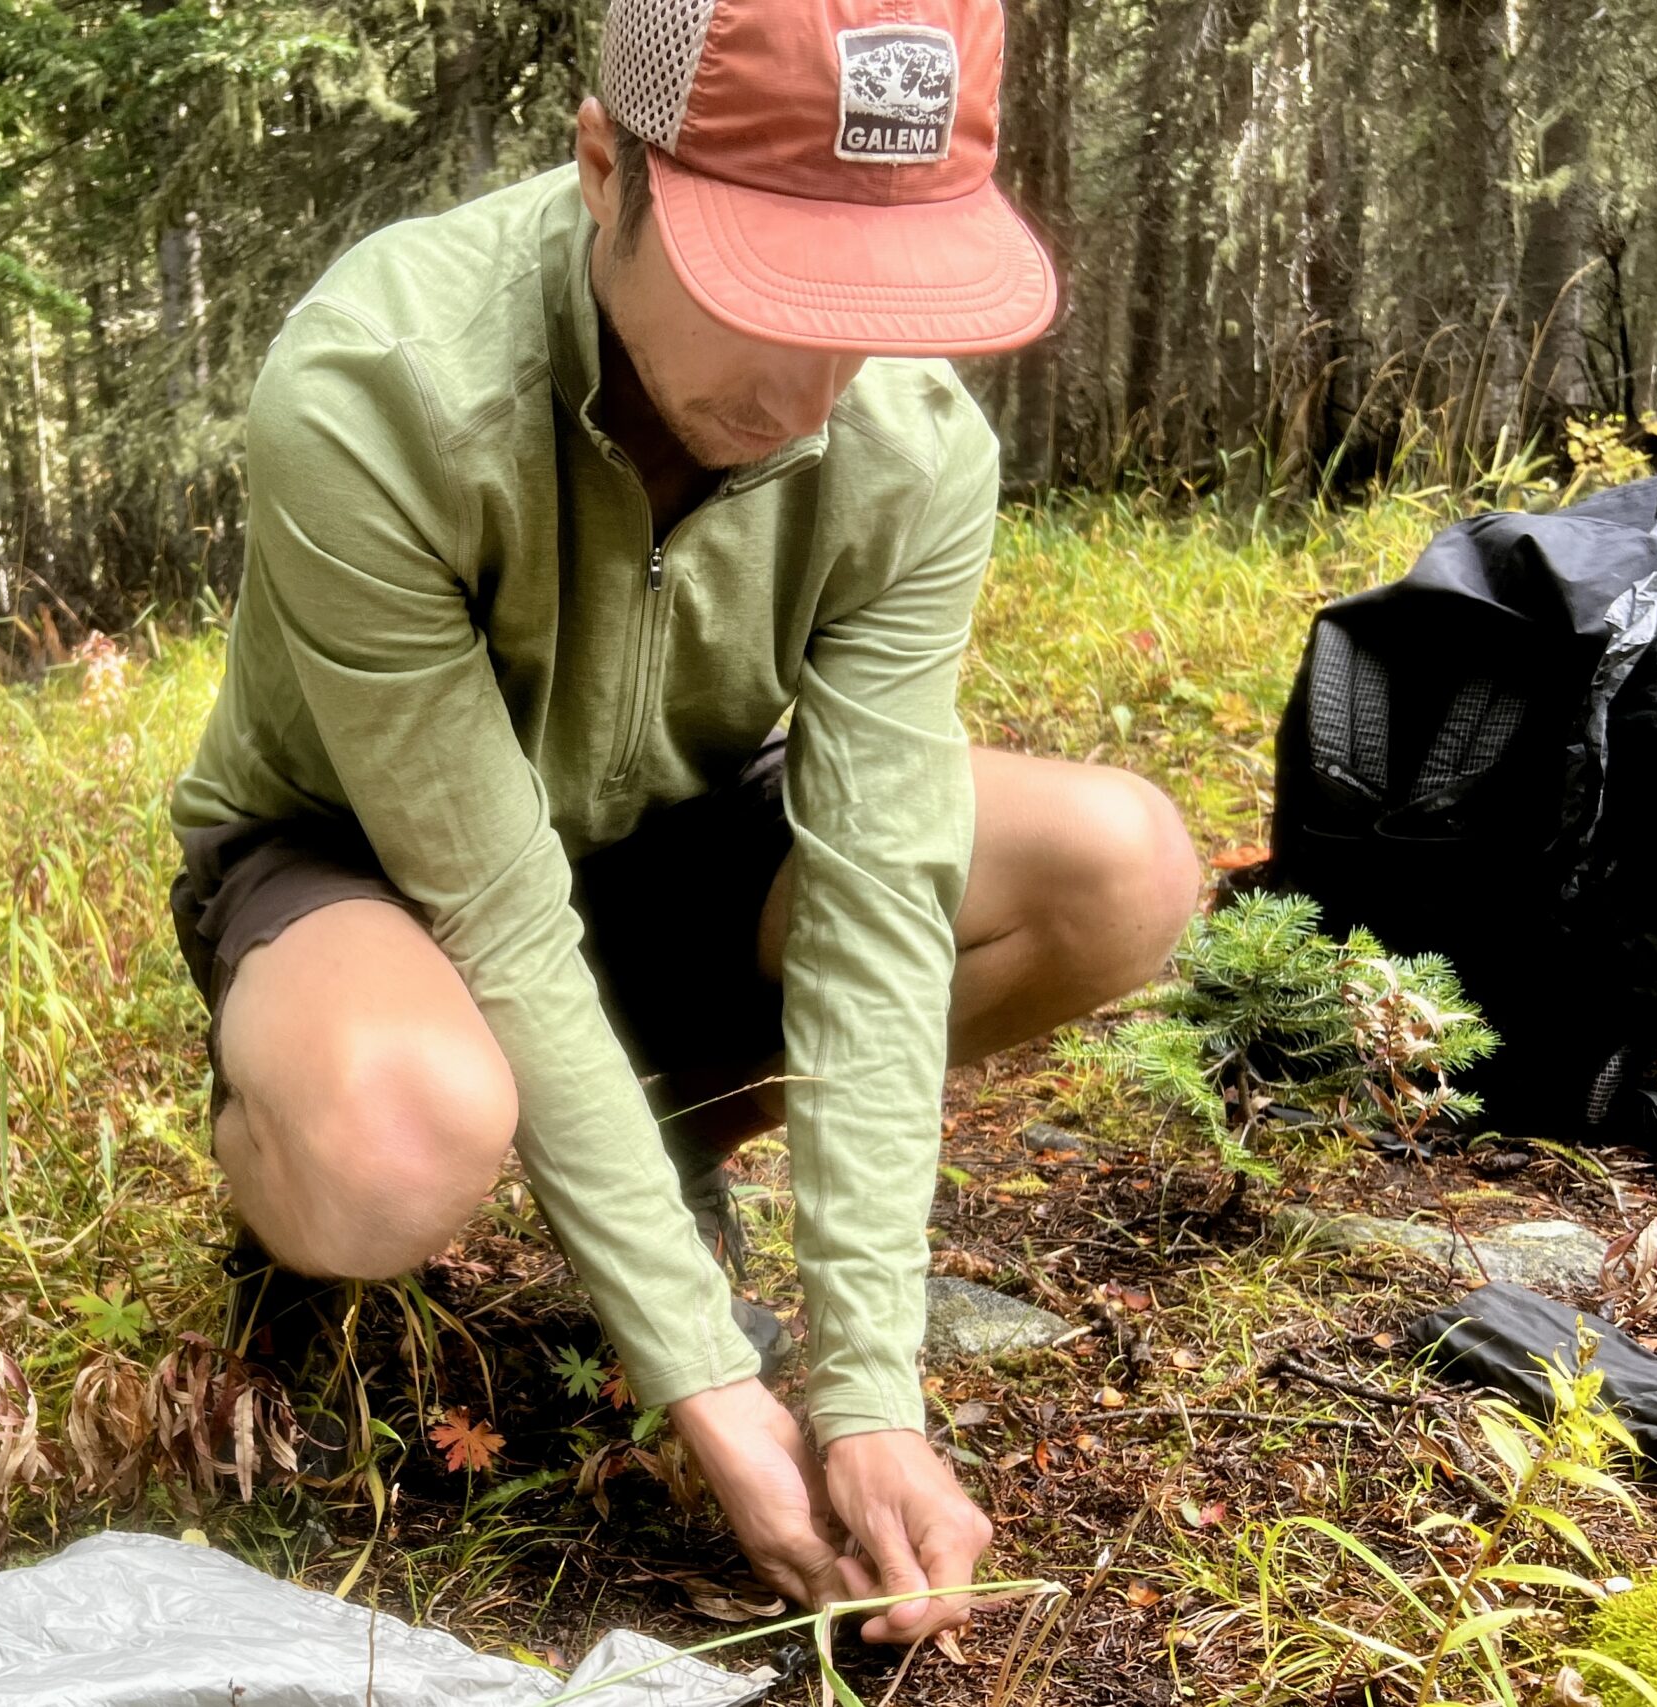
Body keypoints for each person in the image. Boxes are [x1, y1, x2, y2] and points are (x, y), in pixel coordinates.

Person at [166, 0, 1199, 1645]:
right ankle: (288, 1170)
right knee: (388, 1146)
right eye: (769, 293)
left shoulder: (908, 447)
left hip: (677, 834)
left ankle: (663, 1150)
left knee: (1121, 868)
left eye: (874, 306)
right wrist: (710, 1381)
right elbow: (495, 908)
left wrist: (869, 1396)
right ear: (604, 167)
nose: (815, 385)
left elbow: (878, 898)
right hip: (371, 863)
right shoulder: (380, 389)